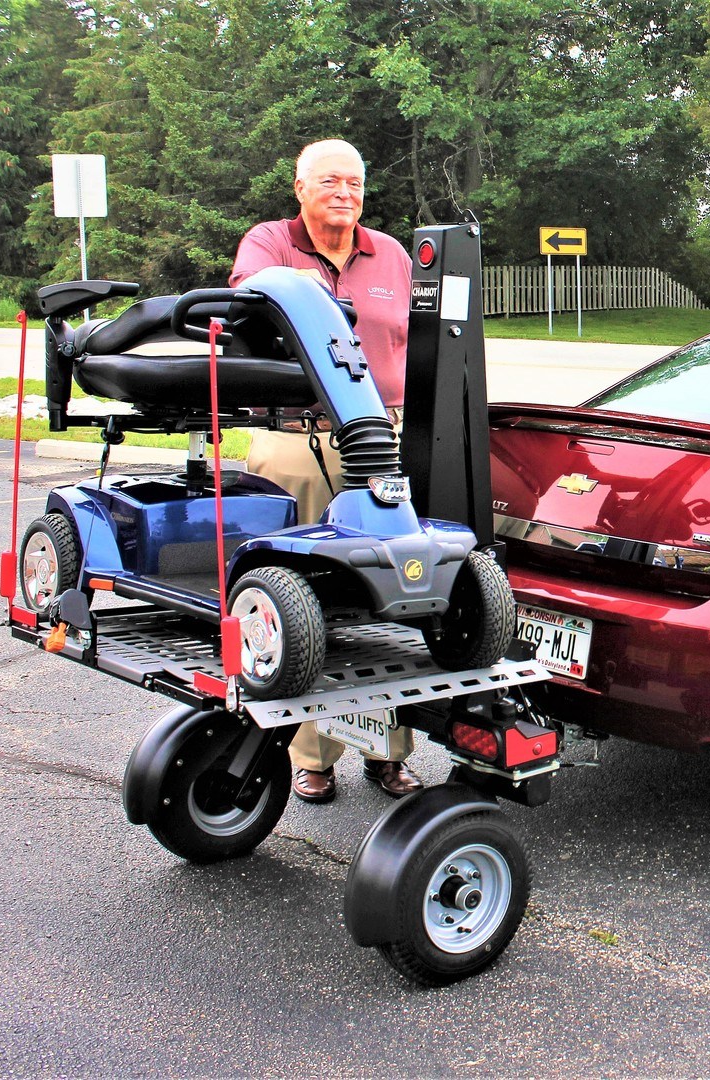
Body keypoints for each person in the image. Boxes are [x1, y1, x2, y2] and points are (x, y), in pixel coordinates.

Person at [229, 138, 423, 804]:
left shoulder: (391, 255)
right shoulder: (269, 244)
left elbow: (419, 339)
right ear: (301, 187)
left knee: (394, 586)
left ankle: (387, 749)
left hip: (381, 442)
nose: (344, 192)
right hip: (296, 440)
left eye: (355, 182)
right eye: (329, 181)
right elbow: (245, 307)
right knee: (303, 594)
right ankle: (312, 755)